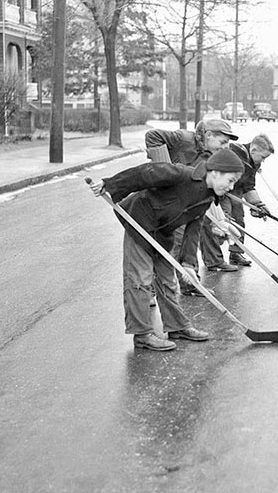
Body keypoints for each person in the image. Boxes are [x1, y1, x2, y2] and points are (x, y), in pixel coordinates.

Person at [88, 148, 245, 351]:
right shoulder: (181, 175)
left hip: (162, 233)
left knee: (168, 281)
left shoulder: (207, 197)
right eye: (230, 180)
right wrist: (110, 184)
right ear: (215, 172)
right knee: (139, 280)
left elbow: (193, 229)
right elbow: (145, 173)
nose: (231, 187)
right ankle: (142, 334)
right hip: (140, 223)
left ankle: (177, 326)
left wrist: (188, 264)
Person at [143, 118, 240, 285]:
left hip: (185, 203)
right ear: (208, 135)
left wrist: (222, 222)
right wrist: (166, 171)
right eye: (222, 142)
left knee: (189, 242)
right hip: (163, 201)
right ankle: (151, 290)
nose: (225, 147)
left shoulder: (211, 158)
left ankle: (189, 284)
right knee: (169, 245)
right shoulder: (183, 138)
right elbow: (152, 135)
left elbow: (207, 191)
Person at [201, 134, 275, 268]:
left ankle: (236, 253)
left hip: (236, 192)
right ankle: (214, 260)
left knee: (239, 222)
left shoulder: (254, 163)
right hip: (222, 191)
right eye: (263, 157)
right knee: (221, 223)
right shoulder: (235, 151)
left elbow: (249, 186)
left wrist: (257, 205)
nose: (263, 161)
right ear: (254, 150)